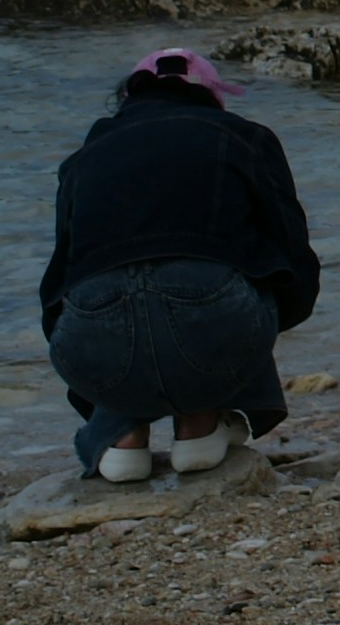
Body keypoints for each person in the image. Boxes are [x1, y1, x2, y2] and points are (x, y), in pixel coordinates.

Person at [42, 46, 316, 483]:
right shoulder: (244, 138)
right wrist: (258, 343)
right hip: (212, 331)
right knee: (250, 266)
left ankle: (121, 435)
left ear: (129, 99)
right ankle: (200, 425)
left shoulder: (81, 161)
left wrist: (90, 379)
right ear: (211, 96)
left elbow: (56, 287)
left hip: (95, 353)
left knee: (109, 283)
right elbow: (295, 262)